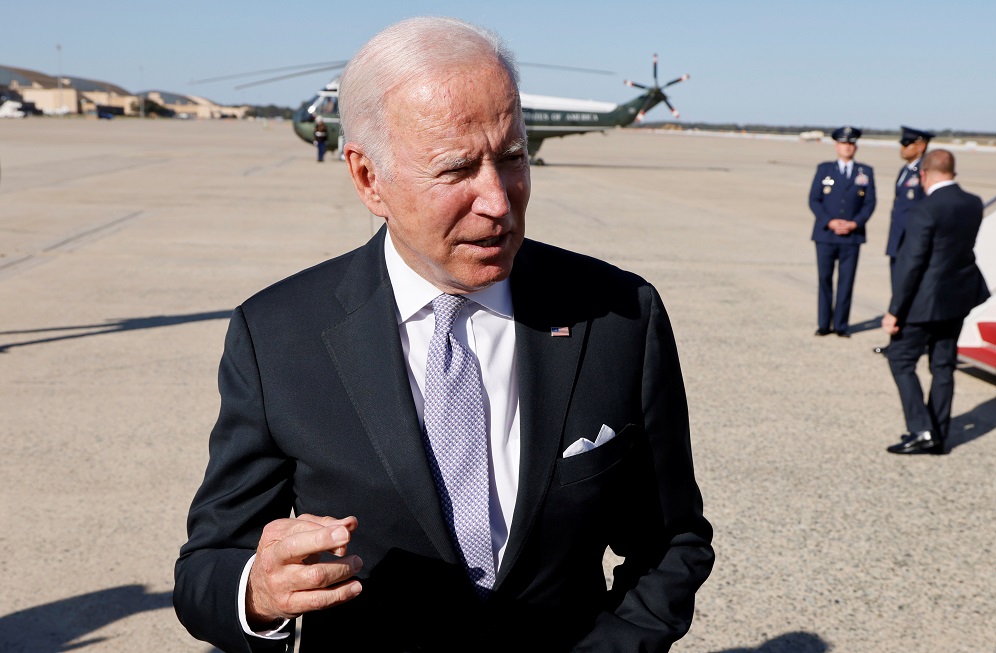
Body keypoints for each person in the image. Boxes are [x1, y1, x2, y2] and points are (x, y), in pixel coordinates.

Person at [173, 16, 714, 653]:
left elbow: (670, 542)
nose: (498, 201)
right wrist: (257, 595)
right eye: (457, 171)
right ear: (369, 179)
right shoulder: (278, 335)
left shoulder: (621, 314)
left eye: (513, 159)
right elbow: (208, 564)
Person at [881, 149, 990, 455]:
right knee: (943, 366)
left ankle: (921, 430)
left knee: (900, 359)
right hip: (957, 298)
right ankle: (939, 435)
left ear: (924, 174)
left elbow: (911, 264)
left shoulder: (924, 209)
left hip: (924, 303)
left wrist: (894, 311)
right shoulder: (972, 202)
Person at [807, 126, 877, 337]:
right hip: (826, 235)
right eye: (843, 143)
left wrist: (855, 223)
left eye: (851, 144)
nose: (847, 147)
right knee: (824, 279)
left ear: (855, 147)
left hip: (851, 236)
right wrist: (829, 221)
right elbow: (814, 199)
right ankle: (823, 323)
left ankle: (841, 325)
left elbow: (870, 202)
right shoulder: (825, 170)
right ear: (836, 145)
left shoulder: (865, 172)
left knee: (846, 281)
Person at [874, 125, 934, 354]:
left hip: (912, 245)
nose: (902, 147)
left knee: (909, 293)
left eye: (906, 144)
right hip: (898, 243)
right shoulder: (905, 170)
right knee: (898, 293)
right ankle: (898, 342)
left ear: (920, 146)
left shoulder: (925, 171)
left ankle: (907, 344)